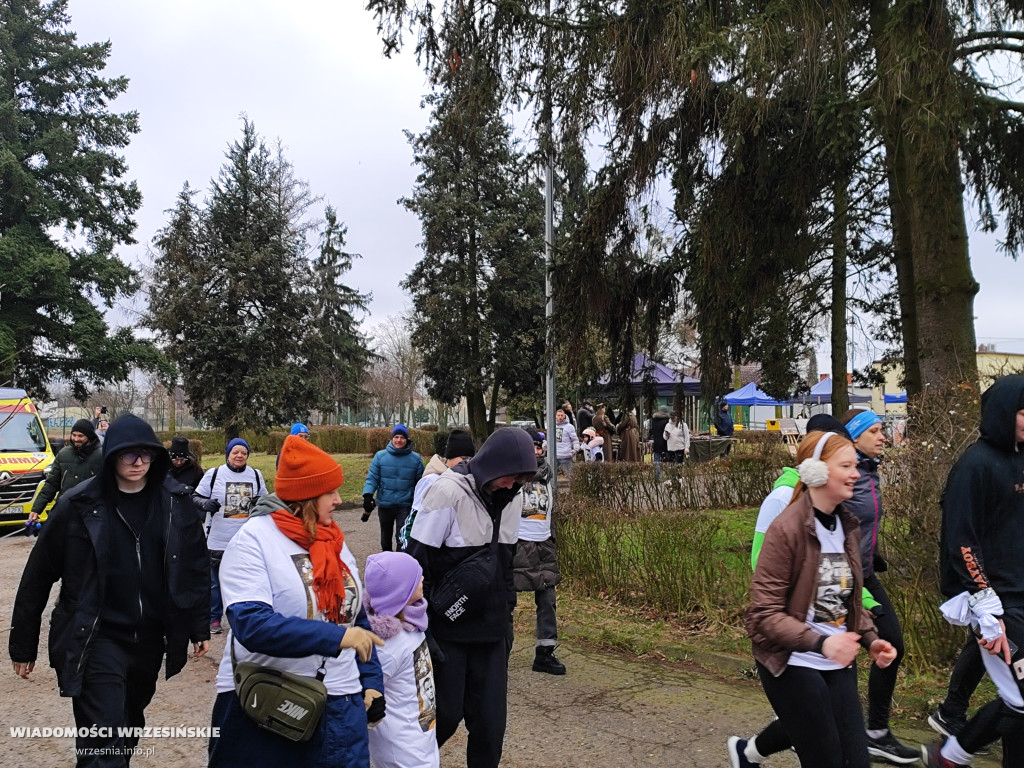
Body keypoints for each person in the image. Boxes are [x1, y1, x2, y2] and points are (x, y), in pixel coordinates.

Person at [10, 414, 210, 766]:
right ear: (111, 455)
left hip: (149, 638)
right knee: (103, 741)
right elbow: (38, 575)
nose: (138, 462)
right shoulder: (77, 505)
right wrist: (23, 644)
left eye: (146, 454)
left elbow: (193, 565)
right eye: (128, 454)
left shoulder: (174, 503)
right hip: (95, 635)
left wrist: (197, 625)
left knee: (128, 728)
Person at [208, 434, 385, 767]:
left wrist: (371, 680)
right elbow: (252, 625)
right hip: (268, 702)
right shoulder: (253, 539)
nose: (337, 500)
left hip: (340, 703)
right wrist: (336, 637)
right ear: (305, 496)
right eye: (329, 492)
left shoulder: (333, 539)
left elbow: (355, 617)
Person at [743, 430, 896, 768]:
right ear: (817, 471)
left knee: (856, 762)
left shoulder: (847, 526)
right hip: (792, 662)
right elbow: (763, 615)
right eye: (846, 465)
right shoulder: (787, 528)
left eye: (856, 466)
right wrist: (822, 643)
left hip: (836, 661)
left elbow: (848, 599)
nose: (856, 473)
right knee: (826, 760)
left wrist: (871, 640)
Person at [406, 428, 538, 768]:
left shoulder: (512, 497)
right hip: (449, 630)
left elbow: (507, 562)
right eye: (510, 477)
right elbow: (417, 561)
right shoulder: (447, 491)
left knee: (490, 727)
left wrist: (507, 614)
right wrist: (422, 626)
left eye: (520, 480)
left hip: (492, 631)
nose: (512, 486)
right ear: (493, 466)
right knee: (445, 717)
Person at [921, 374, 1024, 768]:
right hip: (995, 603)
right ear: (1003, 413)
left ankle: (951, 755)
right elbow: (961, 541)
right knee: (1019, 701)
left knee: (1021, 707)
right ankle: (950, 755)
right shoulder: (974, 466)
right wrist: (985, 605)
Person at [836, 408, 918, 763]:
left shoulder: (869, 470)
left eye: (882, 429)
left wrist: (873, 555)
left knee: (889, 645)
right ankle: (820, 725)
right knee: (845, 652)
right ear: (854, 437)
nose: (882, 436)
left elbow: (861, 526)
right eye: (875, 430)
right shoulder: (847, 474)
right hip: (843, 578)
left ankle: (874, 732)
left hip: (865, 573)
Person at [364, 551, 440, 768]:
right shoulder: (389, 645)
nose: (423, 578)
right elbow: (366, 694)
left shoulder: (412, 622)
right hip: (400, 753)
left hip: (421, 740)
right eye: (415, 578)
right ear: (400, 591)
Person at [194, 437, 267, 634]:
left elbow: (265, 500)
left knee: (246, 581)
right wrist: (205, 504)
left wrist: (259, 503)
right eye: (235, 452)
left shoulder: (256, 475)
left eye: (244, 452)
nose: (240, 455)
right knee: (215, 583)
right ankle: (214, 618)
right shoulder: (214, 474)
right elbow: (195, 497)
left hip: (246, 540)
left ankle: (243, 619)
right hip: (218, 538)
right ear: (228, 454)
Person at [513, 429, 565, 675]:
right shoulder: (512, 474)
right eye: (532, 446)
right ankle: (498, 653)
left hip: (543, 544)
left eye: (539, 446)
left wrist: (551, 537)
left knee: (547, 600)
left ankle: (544, 653)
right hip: (517, 543)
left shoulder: (546, 476)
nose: (536, 451)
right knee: (505, 600)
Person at [398, 429, 475, 551]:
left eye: (470, 459)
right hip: (425, 548)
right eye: (463, 458)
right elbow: (414, 519)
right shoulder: (431, 480)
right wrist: (408, 552)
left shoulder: (464, 480)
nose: (466, 463)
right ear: (450, 456)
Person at [362, 425, 425, 552]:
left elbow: (420, 484)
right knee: (385, 538)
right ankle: (387, 563)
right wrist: (368, 495)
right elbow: (372, 478)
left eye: (402, 437)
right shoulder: (380, 457)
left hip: (405, 505)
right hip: (386, 503)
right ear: (391, 439)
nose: (399, 440)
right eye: (396, 437)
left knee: (402, 538)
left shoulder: (416, 459)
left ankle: (400, 566)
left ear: (407, 440)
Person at [29, 418, 103, 524]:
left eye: (80, 436)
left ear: (89, 436)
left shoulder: (101, 456)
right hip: (65, 510)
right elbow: (51, 484)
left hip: (91, 515)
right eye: (74, 435)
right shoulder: (63, 454)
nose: (76, 439)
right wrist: (37, 509)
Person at [554, 409, 579, 474]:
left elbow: (574, 439)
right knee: (551, 475)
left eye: (561, 415)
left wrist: (575, 450)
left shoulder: (569, 427)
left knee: (570, 475)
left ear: (564, 416)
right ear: (555, 416)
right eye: (558, 415)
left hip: (566, 455)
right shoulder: (552, 426)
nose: (560, 417)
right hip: (554, 455)